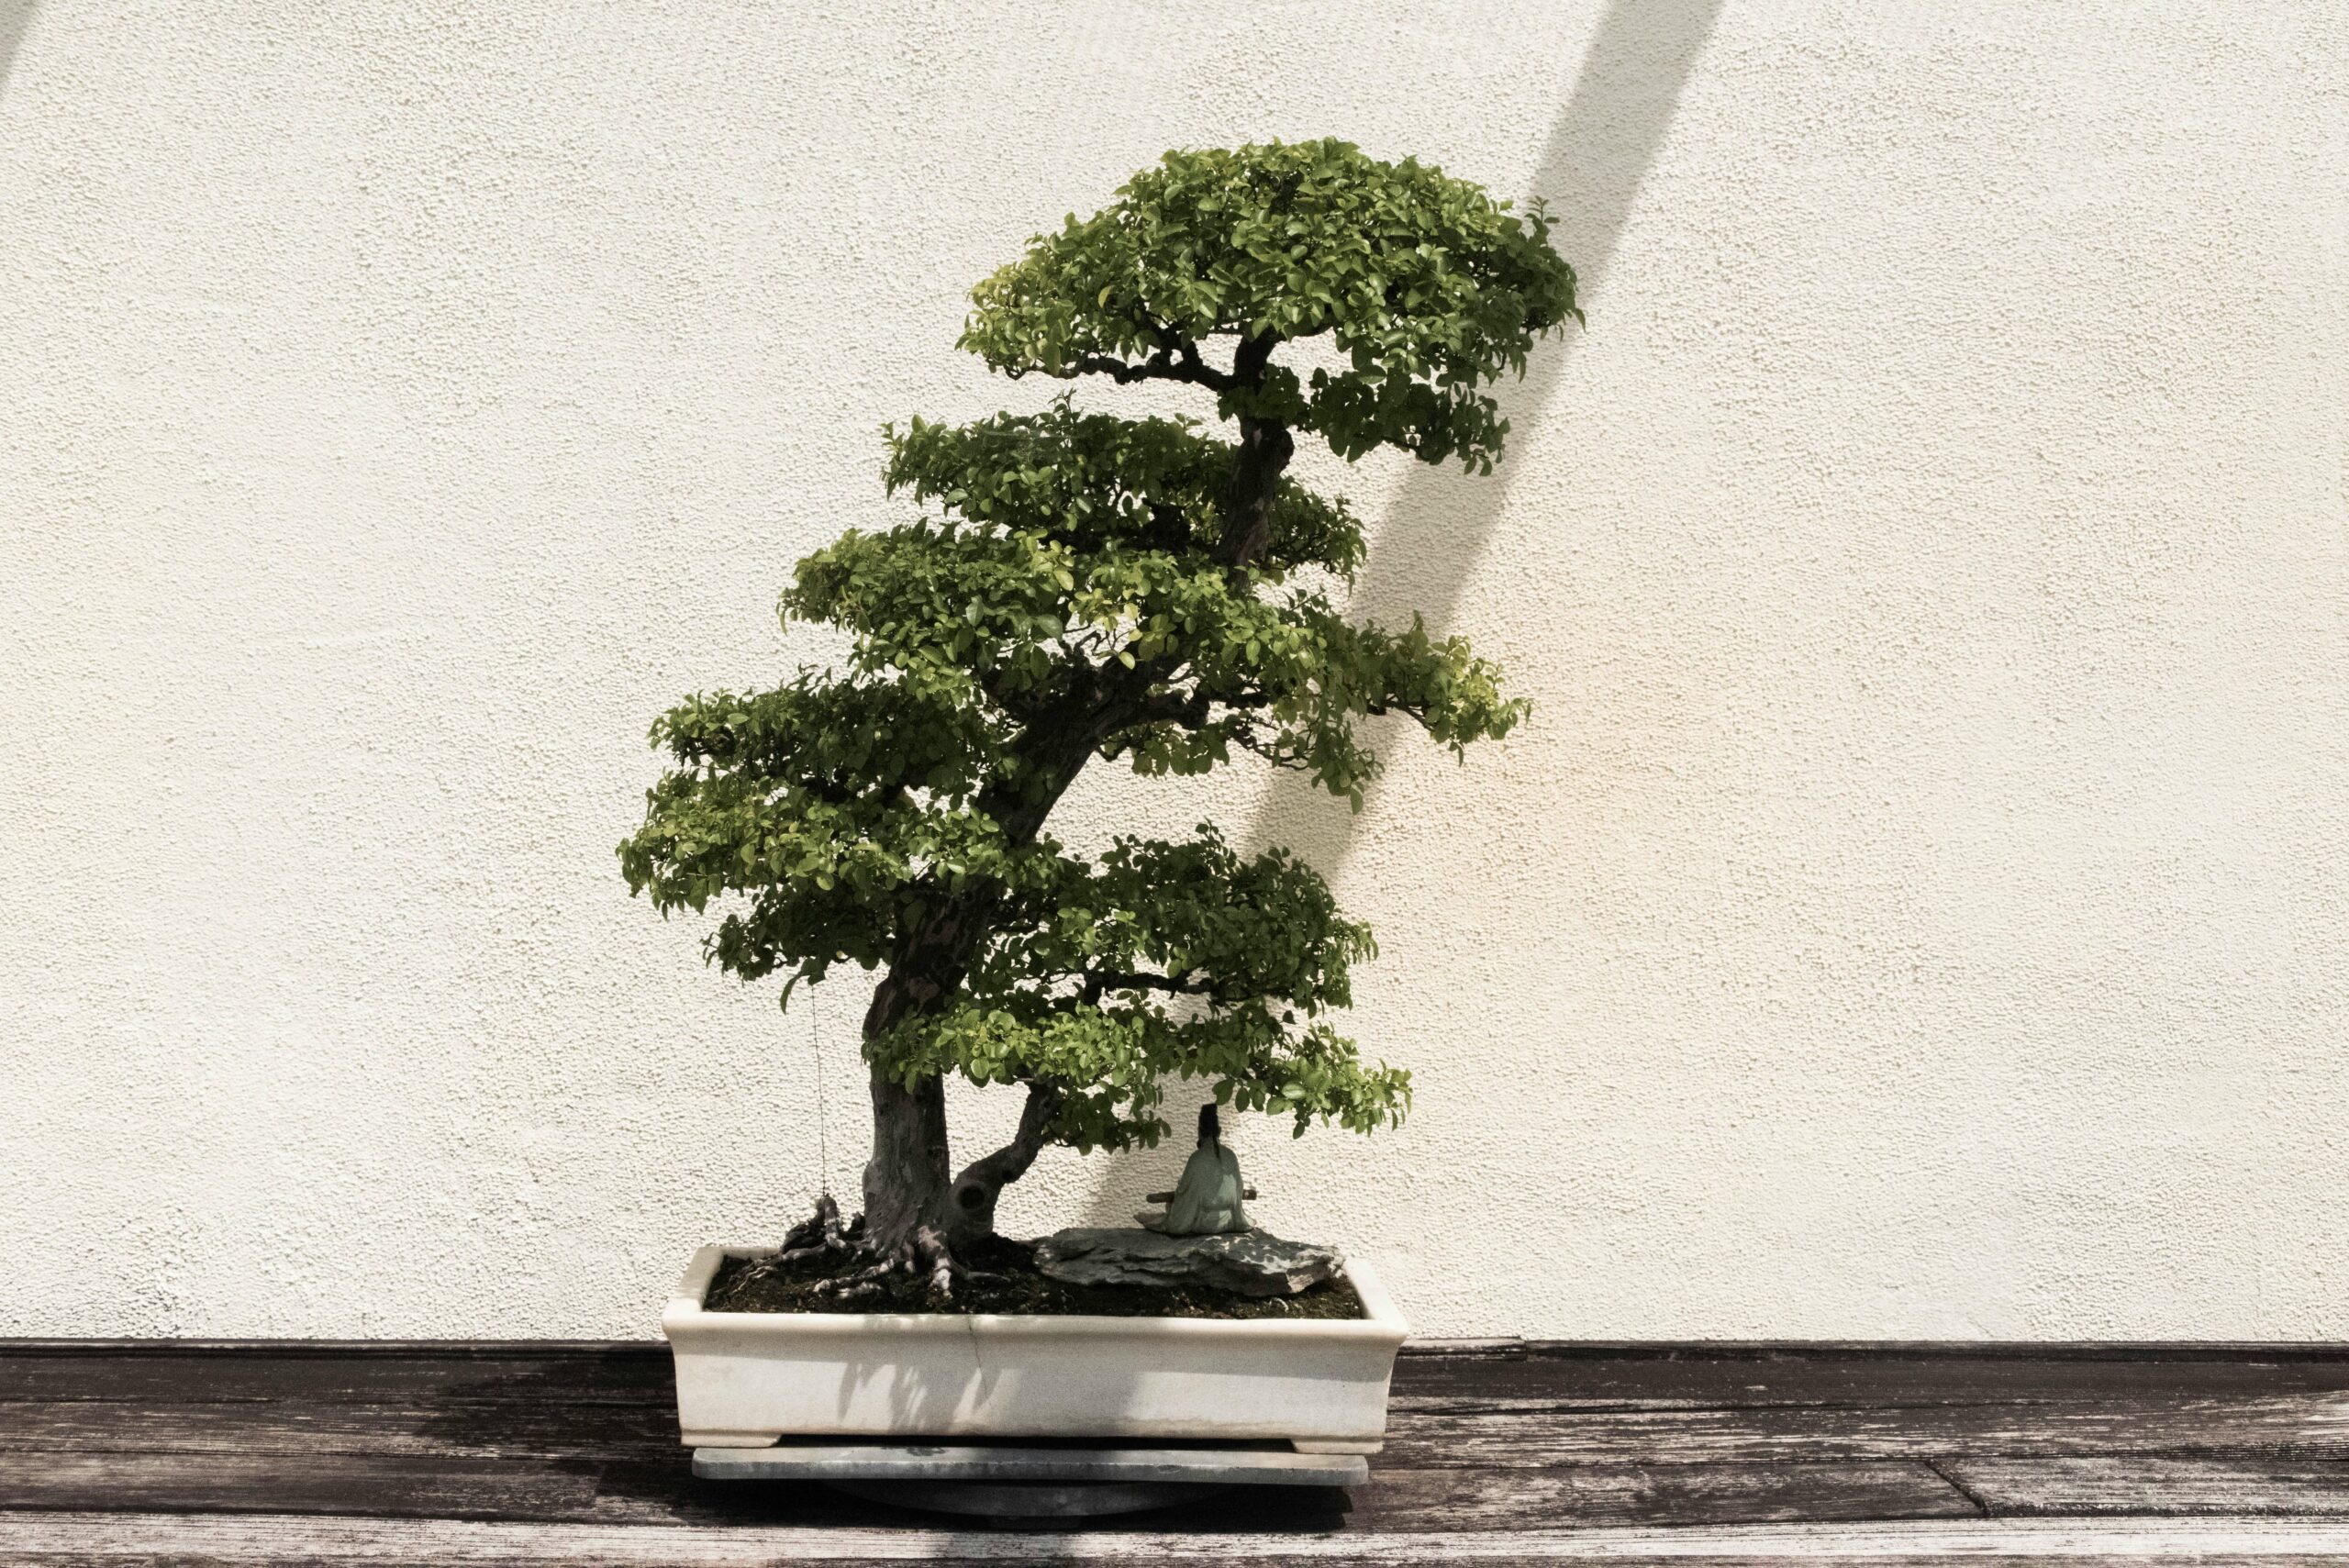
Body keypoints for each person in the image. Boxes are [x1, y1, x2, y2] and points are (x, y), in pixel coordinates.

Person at [1140, 1104, 1250, 1236]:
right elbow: (1238, 1188)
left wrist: (1181, 1187)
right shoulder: (1230, 1155)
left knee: (1170, 1210)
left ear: (1199, 1132)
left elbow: (1184, 1192)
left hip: (1203, 1222)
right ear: (1219, 1131)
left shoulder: (1197, 1158)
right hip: (1228, 1221)